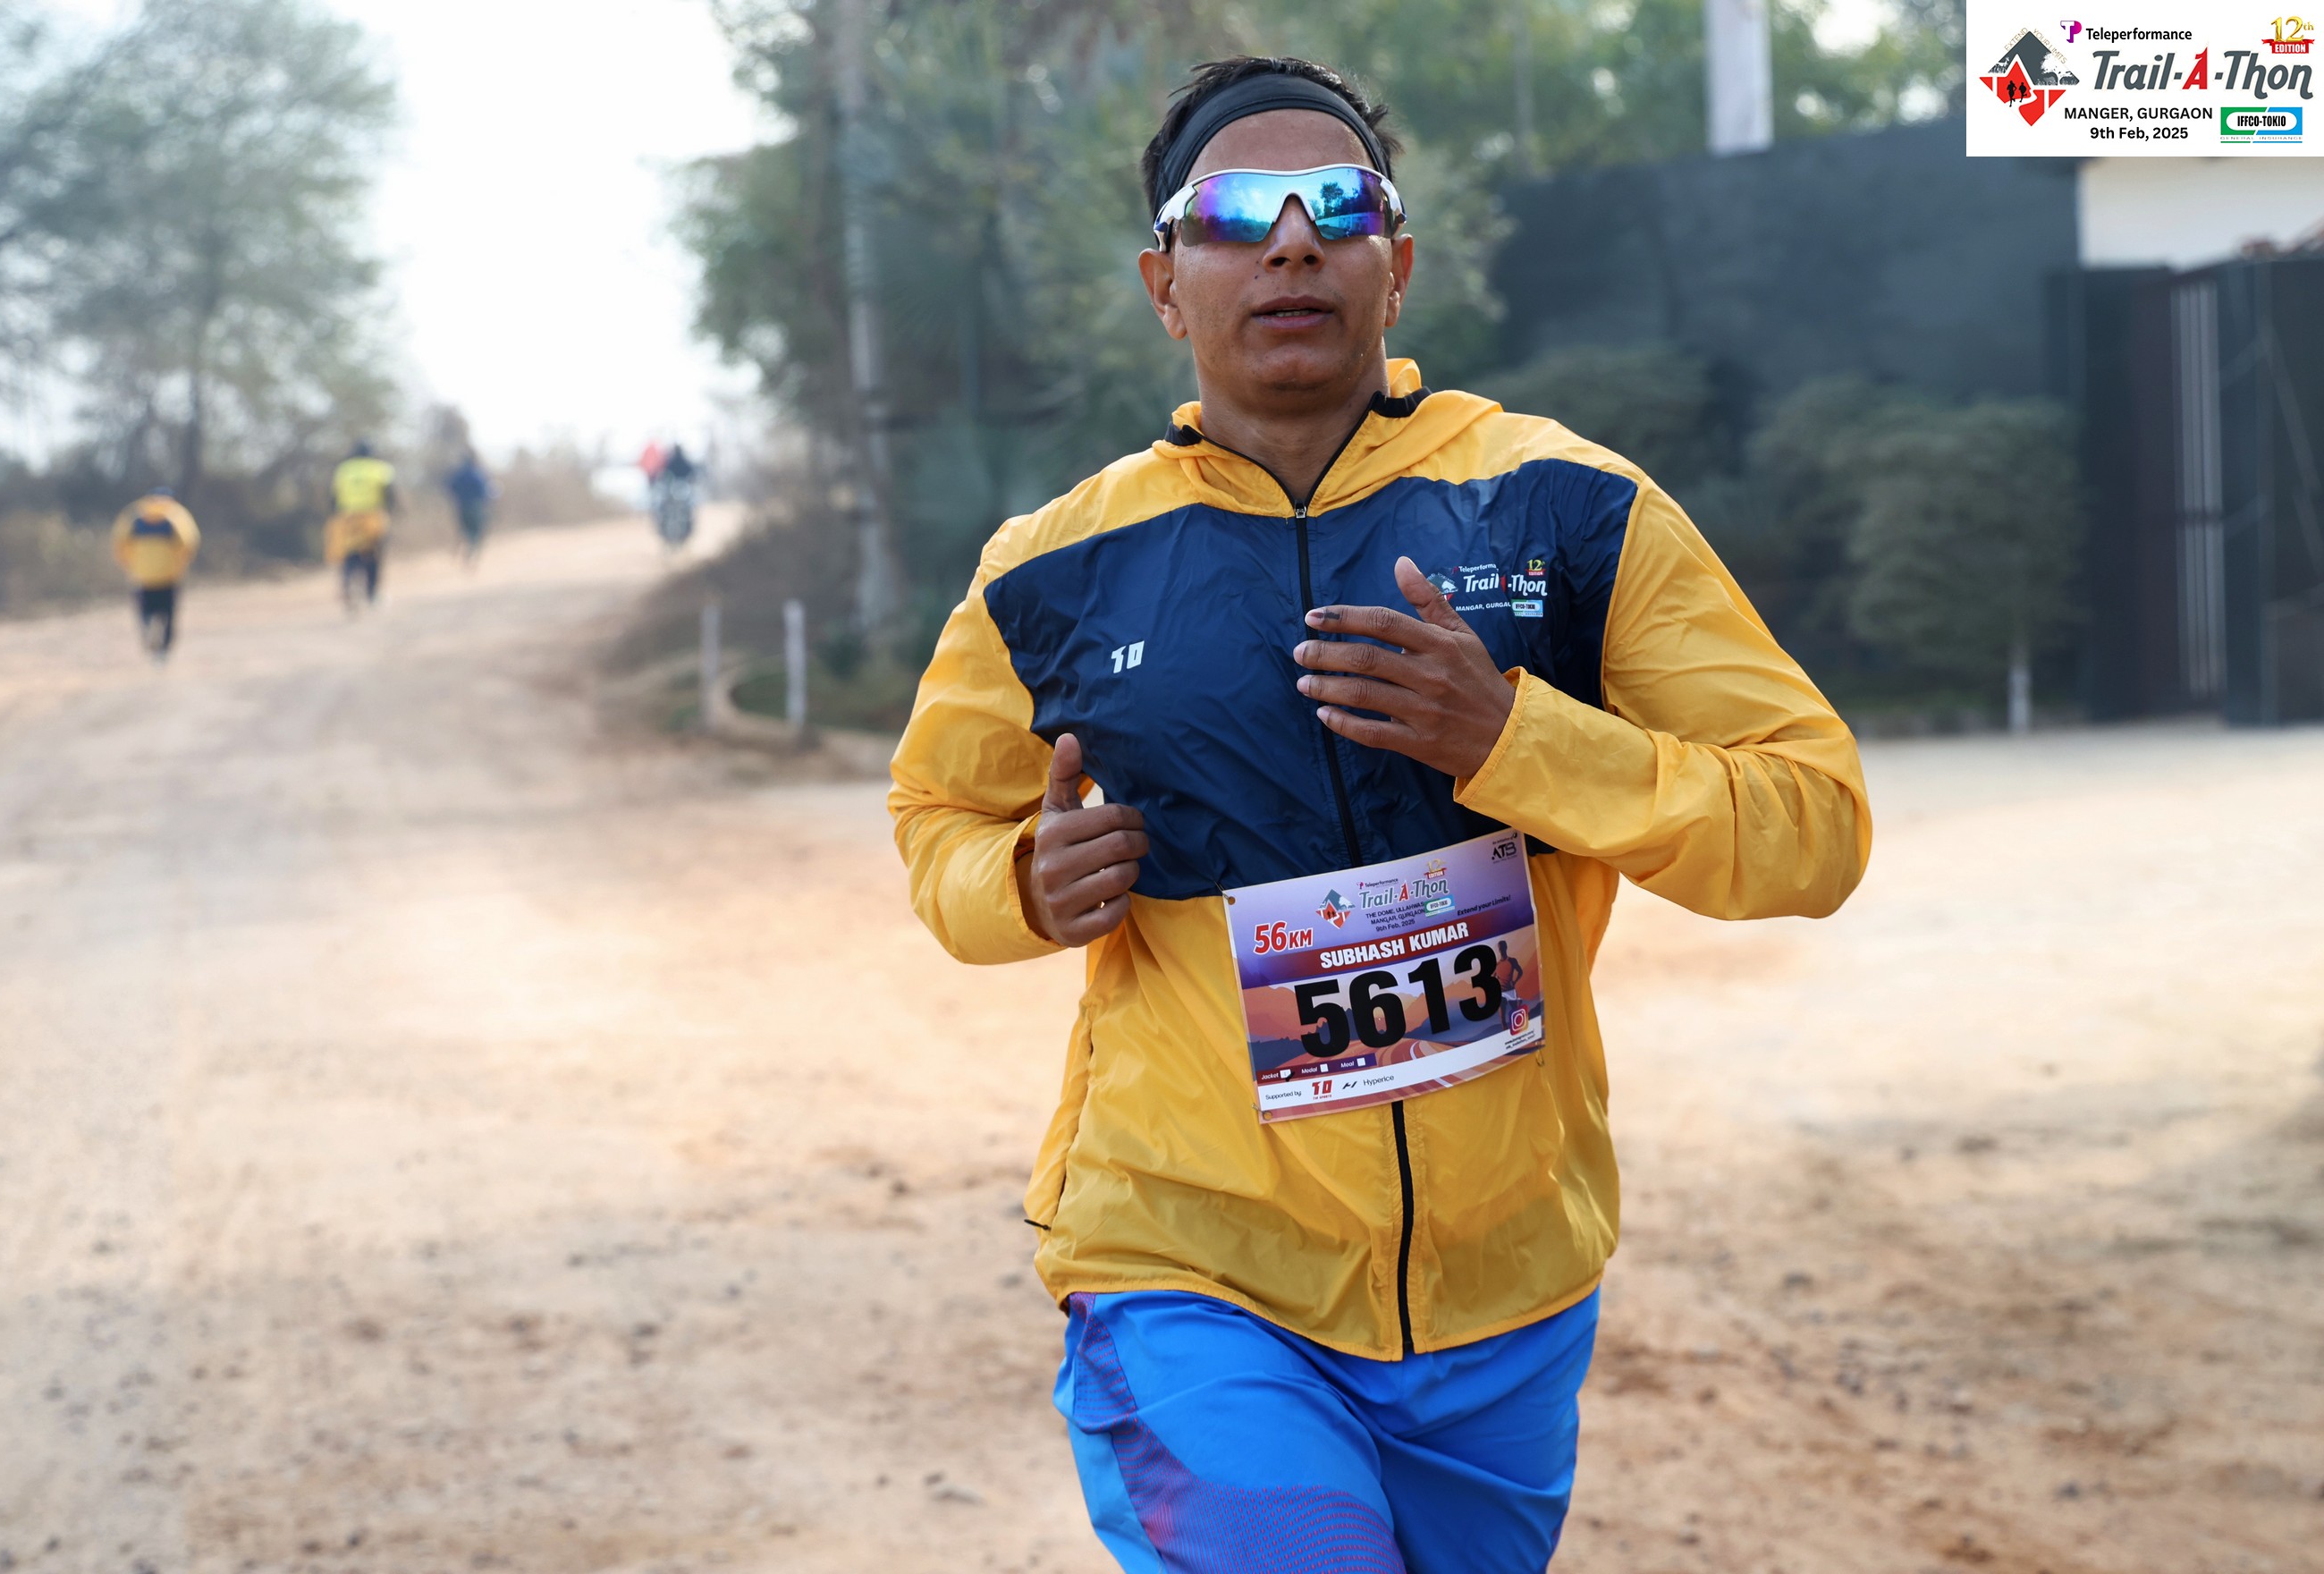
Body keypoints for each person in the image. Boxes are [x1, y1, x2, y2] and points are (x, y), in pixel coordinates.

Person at [888, 55, 1872, 1573]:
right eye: (1236, 212)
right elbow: (937, 820)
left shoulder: (1569, 508)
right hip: (1190, 1256)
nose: (1292, 241)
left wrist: (1515, 741)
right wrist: (1021, 880)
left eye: (1338, 205)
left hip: (1505, 1296)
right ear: (1166, 283)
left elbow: (1811, 825)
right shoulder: (1051, 570)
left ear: (1395, 266)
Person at [109, 487, 199, 660]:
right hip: (169, 575)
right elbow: (189, 542)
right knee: (168, 614)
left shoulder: (134, 514)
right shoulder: (176, 513)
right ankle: (163, 650)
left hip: (142, 575)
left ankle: (148, 624)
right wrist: (181, 563)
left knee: (145, 610)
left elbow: (119, 542)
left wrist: (129, 564)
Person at [325, 439, 398, 610]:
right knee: (373, 555)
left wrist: (336, 515)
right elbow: (390, 494)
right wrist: (390, 510)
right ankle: (372, 593)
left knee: (350, 554)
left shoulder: (343, 470)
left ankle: (348, 584)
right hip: (371, 517)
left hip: (347, 518)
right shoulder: (380, 469)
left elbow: (333, 497)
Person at [444, 449, 494, 566]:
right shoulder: (476, 474)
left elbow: (450, 487)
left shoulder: (458, 475)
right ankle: (470, 554)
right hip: (475, 507)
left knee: (463, 530)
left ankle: (457, 551)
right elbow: (485, 490)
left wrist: (457, 498)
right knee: (476, 532)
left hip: (461, 506)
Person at [651, 443, 697, 547]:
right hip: (676, 493)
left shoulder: (670, 462)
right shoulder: (683, 461)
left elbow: (663, 475)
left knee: (688, 509)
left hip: (677, 493)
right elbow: (693, 474)